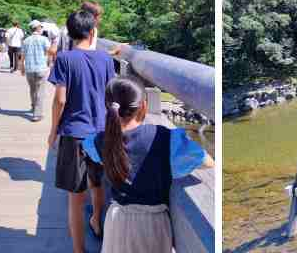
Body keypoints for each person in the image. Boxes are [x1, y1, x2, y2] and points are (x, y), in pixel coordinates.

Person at [82, 77, 214, 253]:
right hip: (152, 224)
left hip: (117, 220)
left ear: (108, 107)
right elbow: (207, 162)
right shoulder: (166, 138)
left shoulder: (98, 141)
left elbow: (91, 149)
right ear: (143, 106)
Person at [47, 10, 114, 253]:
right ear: (93, 31)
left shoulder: (65, 58)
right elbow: (110, 95)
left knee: (75, 198)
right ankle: (97, 220)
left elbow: (60, 100)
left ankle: (79, 250)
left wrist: (53, 131)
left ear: (70, 32)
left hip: (74, 134)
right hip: (101, 132)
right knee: (98, 185)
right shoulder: (106, 59)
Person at [19, 20, 52, 122]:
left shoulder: (26, 40)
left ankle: (34, 107)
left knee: (33, 90)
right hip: (41, 68)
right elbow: (49, 53)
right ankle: (37, 114)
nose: (42, 29)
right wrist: (49, 64)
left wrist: (22, 68)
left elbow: (22, 56)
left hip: (29, 69)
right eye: (41, 27)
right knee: (40, 91)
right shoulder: (44, 39)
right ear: (38, 28)